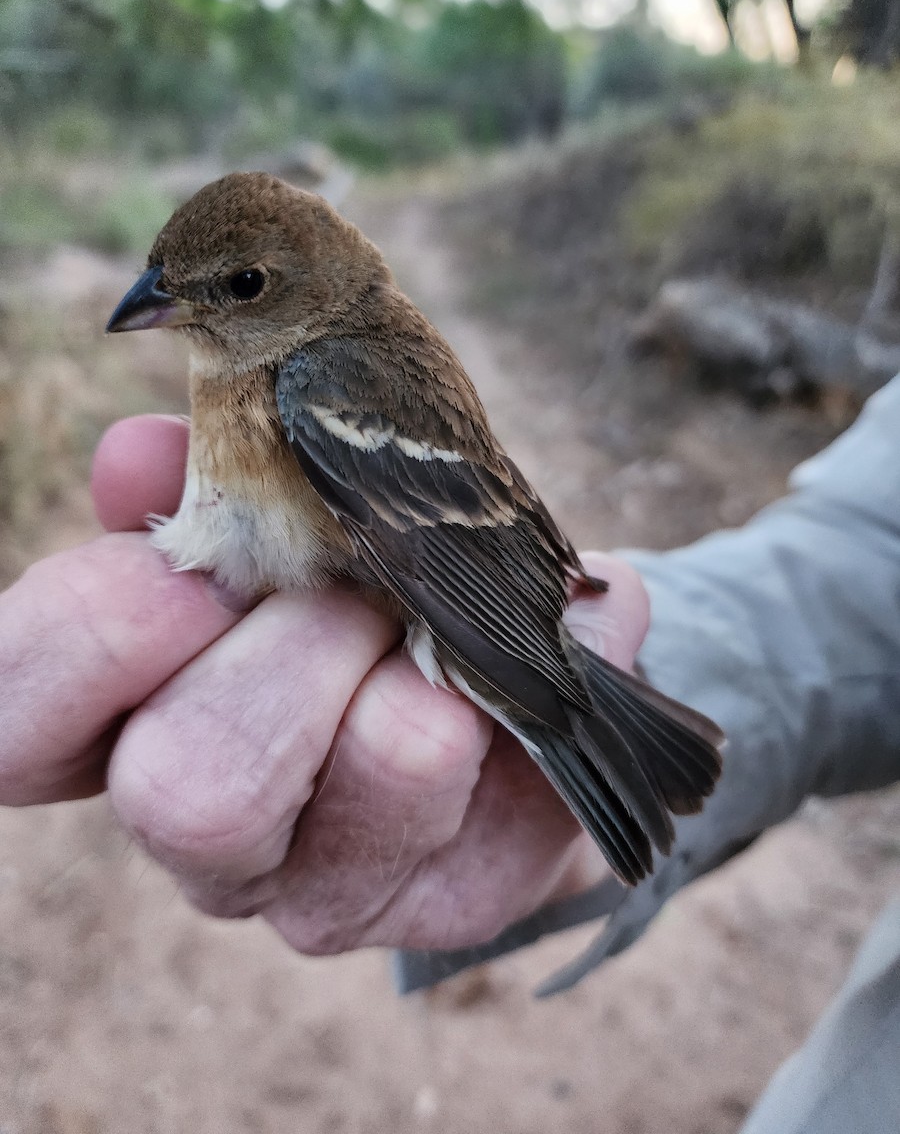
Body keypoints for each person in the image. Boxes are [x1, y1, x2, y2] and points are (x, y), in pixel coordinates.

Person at [0, 374, 897, 1133]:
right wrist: (665, 659)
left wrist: (552, 676)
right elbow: (872, 543)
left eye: (234, 285)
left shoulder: (322, 382)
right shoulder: (287, 380)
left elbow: (445, 554)